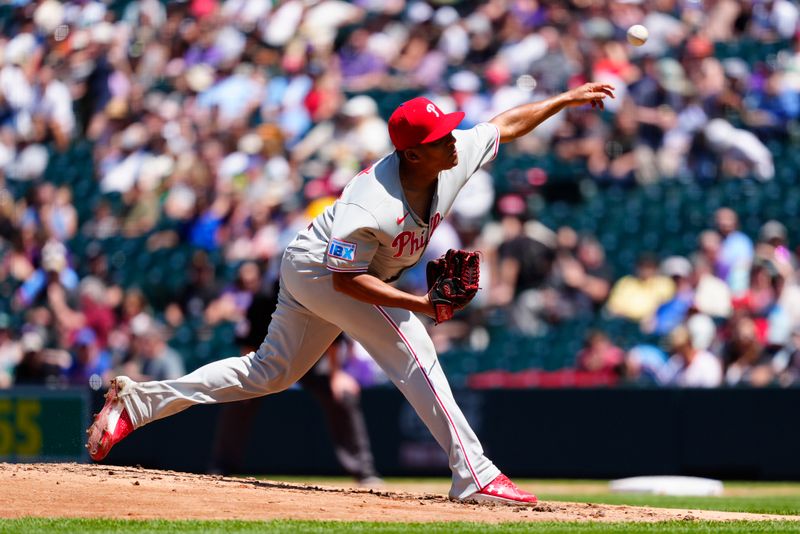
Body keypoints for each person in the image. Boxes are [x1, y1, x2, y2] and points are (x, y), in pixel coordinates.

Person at [86, 82, 616, 504]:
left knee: (269, 372)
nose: (455, 139)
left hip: (322, 269)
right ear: (413, 155)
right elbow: (345, 281)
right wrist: (420, 306)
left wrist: (565, 99)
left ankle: (138, 403)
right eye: (441, 137)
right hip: (323, 270)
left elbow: (503, 125)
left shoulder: (448, 161)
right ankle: (475, 474)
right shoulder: (372, 203)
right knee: (412, 344)